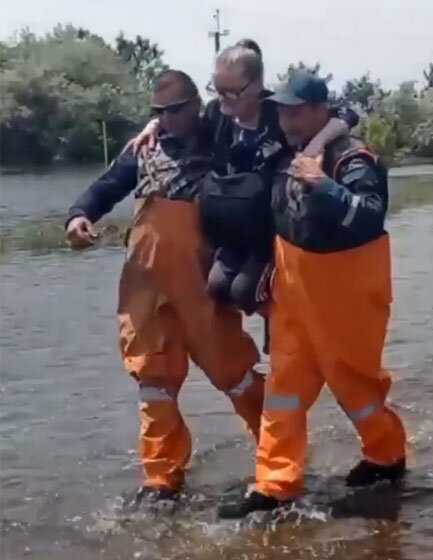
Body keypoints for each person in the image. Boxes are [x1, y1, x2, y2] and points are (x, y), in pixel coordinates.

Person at [65, 70, 265, 503]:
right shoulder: (142, 150)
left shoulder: (220, 139)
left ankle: (277, 453)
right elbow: (106, 187)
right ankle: (161, 478)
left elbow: (248, 108)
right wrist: (79, 216)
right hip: (146, 287)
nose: (168, 119)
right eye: (159, 112)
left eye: (176, 110)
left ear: (196, 106)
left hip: (201, 285)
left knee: (235, 373)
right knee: (153, 380)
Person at [218, 74, 407, 518]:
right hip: (293, 294)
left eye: (296, 111)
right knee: (283, 388)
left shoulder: (352, 158)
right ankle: (274, 483)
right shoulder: (284, 149)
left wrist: (322, 184)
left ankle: (387, 455)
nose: (286, 119)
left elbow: (371, 217)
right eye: (282, 111)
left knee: (354, 385)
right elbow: (228, 122)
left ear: (322, 110)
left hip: (347, 297)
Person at [129, 41, 348, 317]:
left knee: (244, 290)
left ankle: (287, 327)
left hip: (270, 228)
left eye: (232, 92)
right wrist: (154, 124)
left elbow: (345, 115)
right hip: (233, 231)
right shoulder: (216, 116)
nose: (223, 100)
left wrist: (317, 143)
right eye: (217, 91)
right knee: (218, 288)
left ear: (256, 85)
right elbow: (182, 122)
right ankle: (281, 326)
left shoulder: (276, 113)